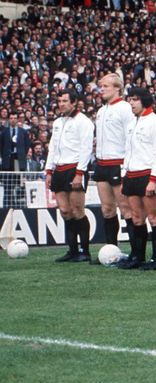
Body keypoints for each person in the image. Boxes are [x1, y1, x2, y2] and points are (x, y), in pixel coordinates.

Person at [117, 87, 156, 270]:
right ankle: (138, 257)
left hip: (147, 174)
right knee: (137, 218)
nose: (131, 103)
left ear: (144, 101)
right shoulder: (131, 123)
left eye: (134, 99)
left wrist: (154, 179)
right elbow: (127, 151)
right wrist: (124, 173)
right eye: (129, 99)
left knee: (154, 218)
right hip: (132, 175)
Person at [46, 90, 95, 262]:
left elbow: (86, 149)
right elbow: (52, 147)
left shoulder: (84, 122)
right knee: (65, 211)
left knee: (77, 210)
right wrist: (48, 170)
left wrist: (80, 173)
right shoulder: (58, 122)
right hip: (59, 170)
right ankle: (72, 250)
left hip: (74, 168)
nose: (61, 104)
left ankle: (85, 251)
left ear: (74, 102)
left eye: (65, 101)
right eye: (59, 100)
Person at [92, 73, 133, 257]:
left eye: (106, 86)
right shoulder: (101, 111)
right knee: (107, 209)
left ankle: (135, 252)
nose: (102, 89)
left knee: (126, 209)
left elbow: (131, 137)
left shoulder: (125, 109)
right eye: (101, 86)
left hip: (119, 164)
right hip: (102, 164)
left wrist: (127, 165)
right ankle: (111, 250)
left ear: (117, 88)